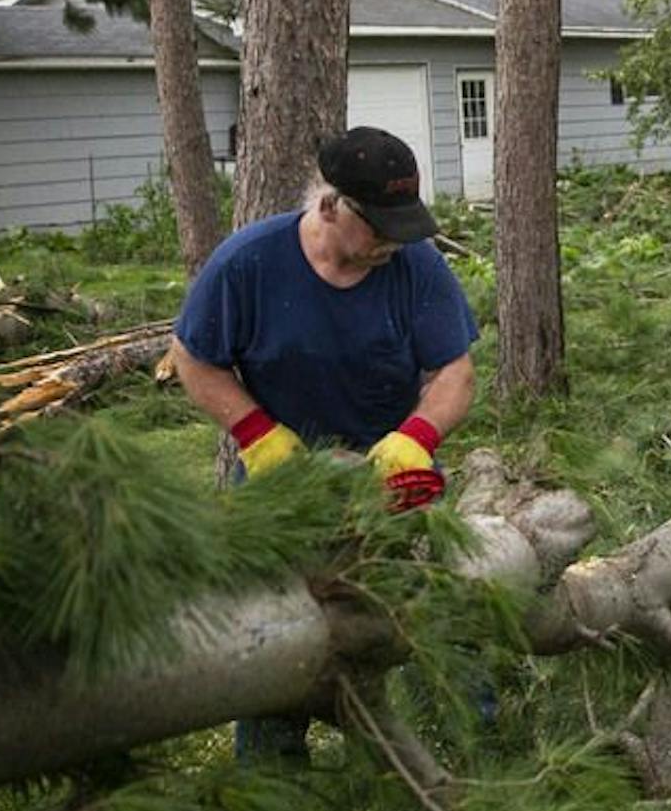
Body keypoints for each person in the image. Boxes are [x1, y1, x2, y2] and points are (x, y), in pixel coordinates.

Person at [170, 125, 479, 759]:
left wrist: (416, 439)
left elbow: (455, 371)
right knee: (271, 627)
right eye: (380, 227)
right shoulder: (248, 263)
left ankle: (466, 747)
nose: (392, 242)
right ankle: (273, 775)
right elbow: (192, 360)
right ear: (332, 205)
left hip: (390, 466)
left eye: (402, 225)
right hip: (282, 472)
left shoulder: (414, 264)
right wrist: (259, 438)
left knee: (439, 610)